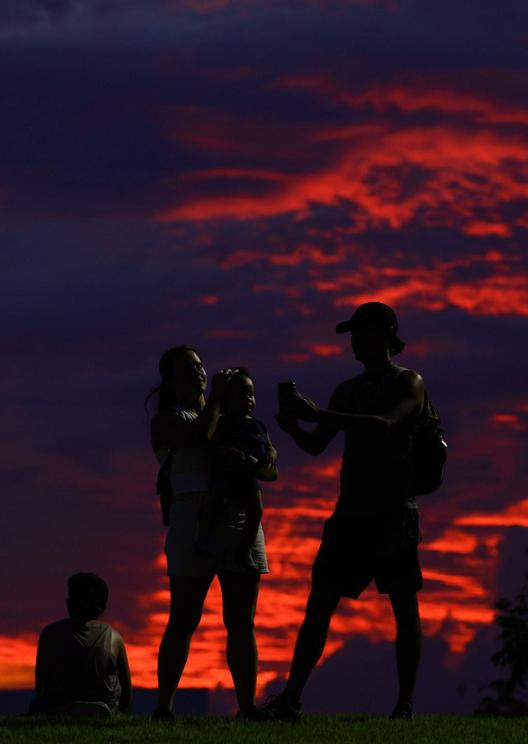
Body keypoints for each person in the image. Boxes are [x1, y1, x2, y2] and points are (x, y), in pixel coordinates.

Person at [259, 302, 426, 721]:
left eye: (363, 333)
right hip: (350, 513)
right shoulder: (347, 389)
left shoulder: (410, 382)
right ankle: (292, 698)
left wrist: (318, 414)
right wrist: (296, 425)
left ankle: (405, 703)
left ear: (388, 333)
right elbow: (318, 445)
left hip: (393, 515)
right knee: (319, 605)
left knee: (404, 609)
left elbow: (388, 423)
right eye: (353, 335)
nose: (355, 342)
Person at [147, 346, 275, 720]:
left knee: (241, 621)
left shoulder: (235, 415)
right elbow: (200, 434)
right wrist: (218, 397)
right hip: (191, 516)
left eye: (200, 366)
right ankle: (164, 706)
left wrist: (252, 461)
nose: (199, 373)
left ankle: (248, 706)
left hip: (237, 515)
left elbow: (270, 462)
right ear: (169, 380)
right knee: (184, 618)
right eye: (189, 369)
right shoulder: (167, 421)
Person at [196, 368, 276, 572]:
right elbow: (210, 445)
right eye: (242, 394)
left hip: (249, 475)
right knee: (216, 501)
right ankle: (203, 538)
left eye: (251, 394)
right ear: (227, 399)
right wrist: (224, 452)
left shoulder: (258, 425)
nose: (249, 399)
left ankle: (244, 550)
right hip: (226, 473)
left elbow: (269, 446)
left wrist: (270, 455)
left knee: (256, 510)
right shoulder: (222, 422)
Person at [31, 573, 132, 715]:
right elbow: (126, 695)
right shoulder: (114, 638)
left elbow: (40, 685)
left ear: (71, 602)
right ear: (102, 608)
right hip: (105, 707)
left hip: (59, 706)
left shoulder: (50, 633)